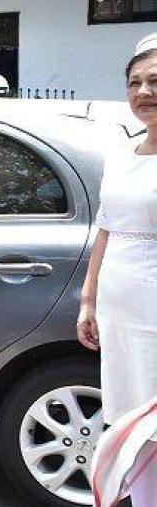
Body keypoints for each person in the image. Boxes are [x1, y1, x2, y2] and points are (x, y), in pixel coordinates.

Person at [77, 32, 157, 506]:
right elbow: (106, 228)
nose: (144, 92)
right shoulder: (122, 153)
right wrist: (89, 301)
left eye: (155, 81)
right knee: (131, 420)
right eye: (135, 82)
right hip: (119, 309)